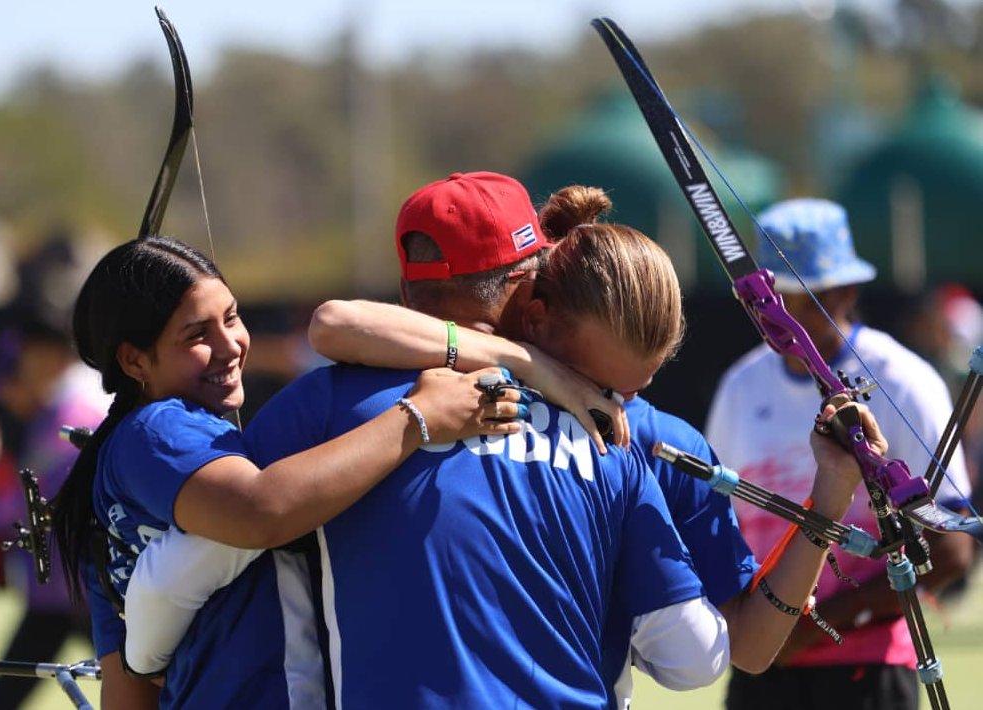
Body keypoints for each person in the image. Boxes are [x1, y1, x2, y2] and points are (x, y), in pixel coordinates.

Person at [122, 174, 875, 707]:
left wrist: (137, 657)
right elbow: (730, 652)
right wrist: (830, 497)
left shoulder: (333, 402)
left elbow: (181, 568)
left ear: (410, 291)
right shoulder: (632, 435)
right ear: (535, 292)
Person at [50, 235, 545, 709]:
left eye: (232, 317)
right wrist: (419, 419)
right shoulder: (156, 431)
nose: (230, 346)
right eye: (197, 335)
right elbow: (260, 510)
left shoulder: (137, 450)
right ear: (134, 359)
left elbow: (126, 682)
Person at [705, 197, 976, 710]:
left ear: (844, 291)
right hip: (763, 667)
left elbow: (951, 548)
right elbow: (720, 522)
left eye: (797, 300)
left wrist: (818, 626)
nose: (776, 317)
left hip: (867, 670)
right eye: (767, 301)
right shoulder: (740, 387)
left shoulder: (902, 379)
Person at [0, 317, 109, 710]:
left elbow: (26, 500)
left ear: (40, 360)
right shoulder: (56, 409)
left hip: (89, 593)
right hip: (65, 597)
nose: (6, 398)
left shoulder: (72, 411)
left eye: (11, 382)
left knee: (154, 695)